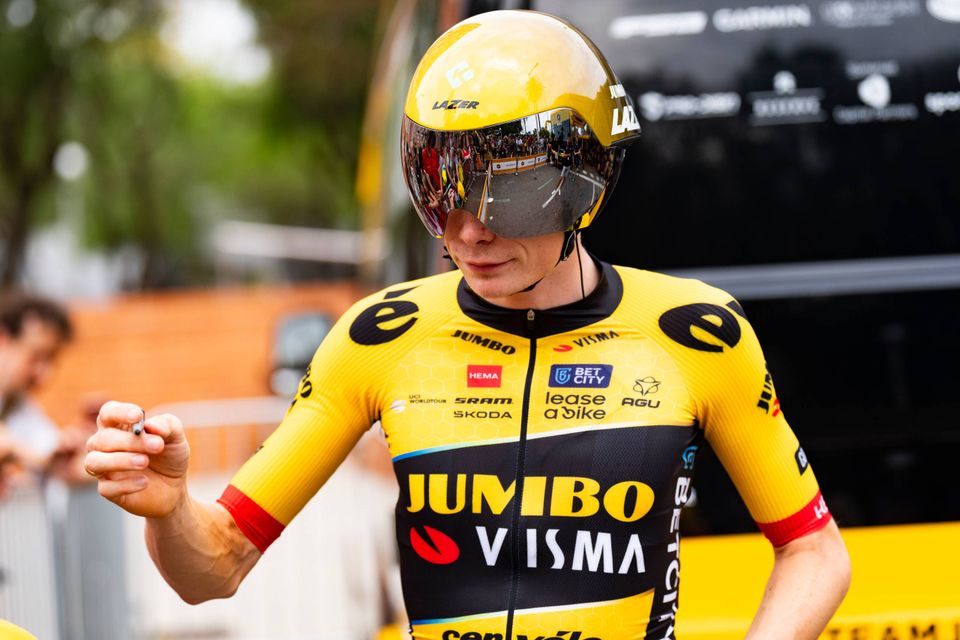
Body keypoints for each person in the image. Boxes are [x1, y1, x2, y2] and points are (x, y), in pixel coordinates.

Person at [84, 10, 850, 640]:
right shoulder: (381, 336)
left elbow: (814, 552)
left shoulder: (694, 332)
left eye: (502, 195)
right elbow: (212, 571)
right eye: (438, 193)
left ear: (584, 180)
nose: (467, 232)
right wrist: (171, 511)